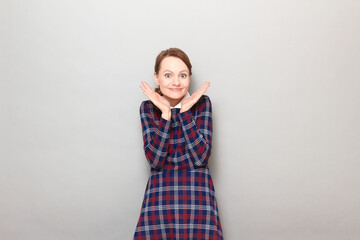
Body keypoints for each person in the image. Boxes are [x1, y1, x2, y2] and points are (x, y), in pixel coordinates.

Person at [133, 48, 223, 240]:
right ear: (156, 78)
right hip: (160, 200)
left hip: (198, 199)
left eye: (182, 75)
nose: (176, 82)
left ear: (189, 77)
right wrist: (166, 115)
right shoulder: (147, 108)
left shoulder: (202, 104)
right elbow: (156, 161)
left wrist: (184, 113)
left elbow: (201, 158)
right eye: (168, 75)